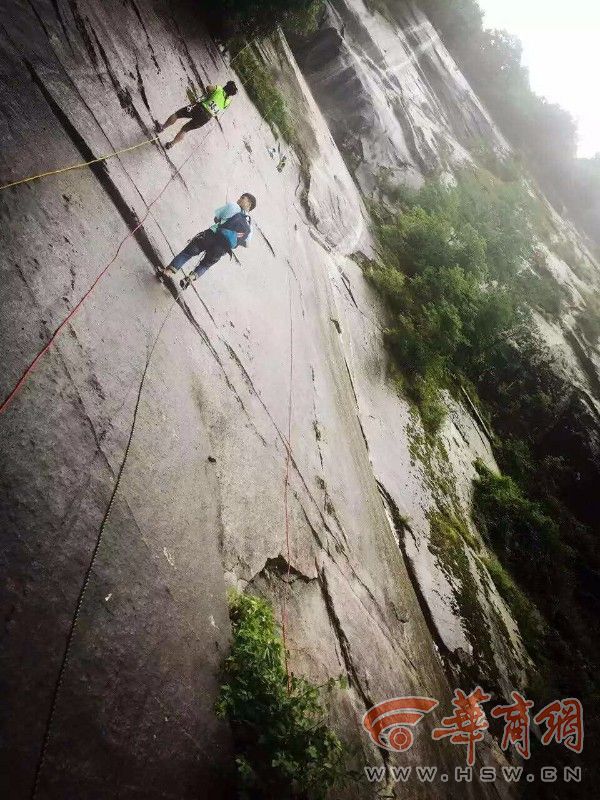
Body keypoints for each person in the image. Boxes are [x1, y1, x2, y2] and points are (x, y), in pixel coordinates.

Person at [160, 193, 256, 289]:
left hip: (210, 236)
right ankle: (189, 279)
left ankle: (168, 272)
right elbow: (246, 244)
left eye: (242, 198)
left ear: (249, 203)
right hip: (221, 249)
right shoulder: (249, 227)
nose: (239, 199)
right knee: (205, 265)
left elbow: (216, 217)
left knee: (187, 253)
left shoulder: (234, 207)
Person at [158, 81, 238, 149]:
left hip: (199, 108)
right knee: (185, 129)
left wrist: (211, 94)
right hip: (206, 118)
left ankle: (162, 127)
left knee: (177, 114)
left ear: (226, 86)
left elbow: (208, 88)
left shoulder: (219, 89)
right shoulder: (228, 102)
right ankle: (171, 144)